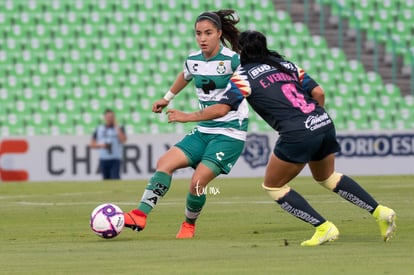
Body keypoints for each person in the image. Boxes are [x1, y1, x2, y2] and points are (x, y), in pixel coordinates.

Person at [166, 30, 397, 246]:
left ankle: (323, 227)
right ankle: (380, 212)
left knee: (273, 185)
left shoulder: (243, 76)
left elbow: (220, 110)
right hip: (323, 123)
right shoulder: (286, 65)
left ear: (242, 52)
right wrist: (313, 119)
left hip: (297, 133)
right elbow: (319, 92)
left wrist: (185, 116)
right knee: (327, 177)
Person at [124, 10, 248, 238]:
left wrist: (185, 116)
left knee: (197, 183)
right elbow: (186, 74)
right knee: (164, 163)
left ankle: (189, 224)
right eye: (198, 33)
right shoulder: (193, 60)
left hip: (230, 133)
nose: (202, 38)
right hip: (203, 131)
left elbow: (222, 109)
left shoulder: (234, 61)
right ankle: (140, 215)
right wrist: (167, 97)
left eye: (208, 33)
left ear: (219, 34)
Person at [90, 109, 127, 180]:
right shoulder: (99, 128)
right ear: (104, 117)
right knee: (105, 180)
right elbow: (92, 144)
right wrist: (102, 145)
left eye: (111, 117)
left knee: (115, 178)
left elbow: (123, 140)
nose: (110, 118)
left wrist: (116, 126)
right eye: (108, 117)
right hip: (103, 158)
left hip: (115, 158)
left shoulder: (119, 128)